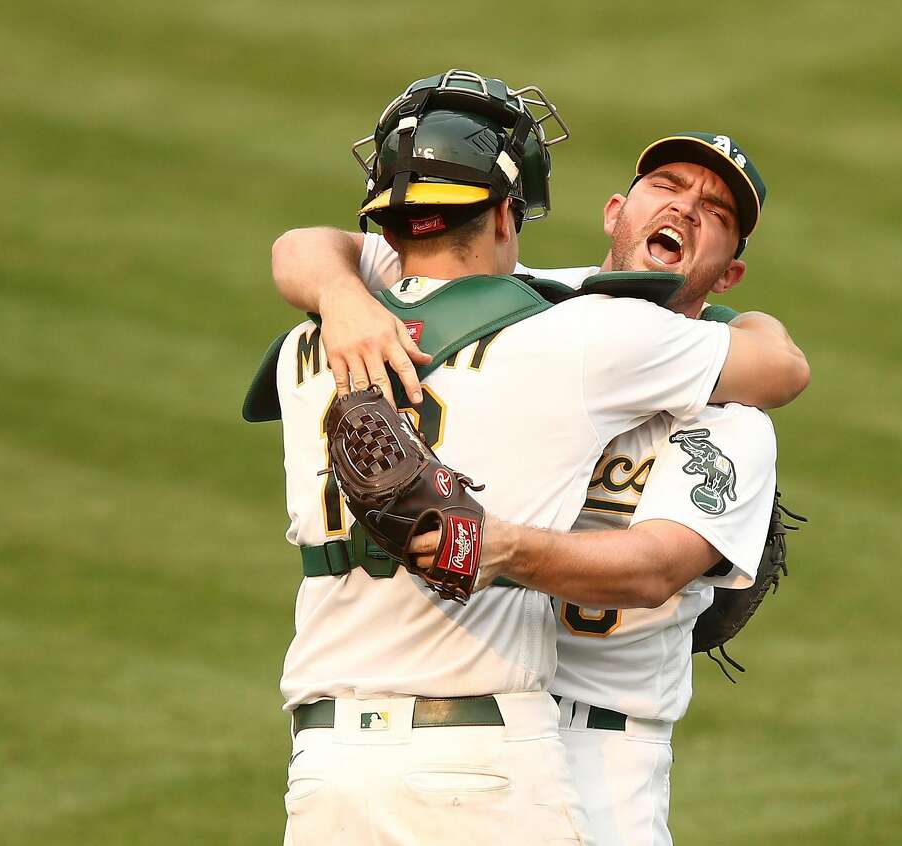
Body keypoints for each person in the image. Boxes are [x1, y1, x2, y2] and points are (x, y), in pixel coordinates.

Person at [254, 70, 806, 845]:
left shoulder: (729, 417)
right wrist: (343, 295)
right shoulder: (560, 316)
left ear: (729, 270)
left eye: (717, 212)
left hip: (599, 750)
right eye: (668, 185)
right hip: (496, 737)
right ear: (614, 211)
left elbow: (657, 566)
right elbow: (309, 251)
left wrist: (503, 548)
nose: (686, 206)